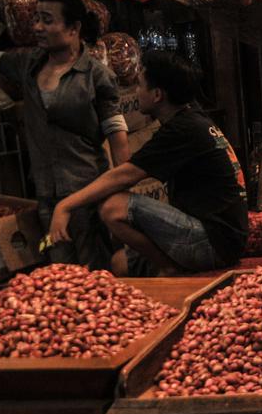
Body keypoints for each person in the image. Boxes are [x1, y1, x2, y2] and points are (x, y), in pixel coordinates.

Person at [47, 51, 248, 277]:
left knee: (113, 206)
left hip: (213, 243)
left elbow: (123, 176)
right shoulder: (192, 119)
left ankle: (168, 268)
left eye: (140, 85)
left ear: (157, 95)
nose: (135, 91)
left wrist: (65, 205)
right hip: (222, 239)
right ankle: (167, 265)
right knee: (120, 263)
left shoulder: (182, 130)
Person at [0, 0, 128, 269]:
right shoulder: (28, 64)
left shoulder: (96, 75)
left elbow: (117, 136)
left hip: (87, 193)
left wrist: (122, 192)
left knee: (95, 271)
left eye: (47, 20)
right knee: (61, 272)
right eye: (36, 18)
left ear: (73, 28)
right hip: (46, 194)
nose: (37, 27)